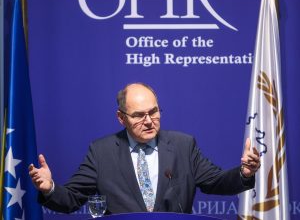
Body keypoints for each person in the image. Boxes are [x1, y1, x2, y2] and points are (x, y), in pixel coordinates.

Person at [29, 83, 260, 214]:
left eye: (154, 112)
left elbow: (216, 182)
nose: (149, 121)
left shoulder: (183, 145)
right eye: (139, 115)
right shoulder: (101, 152)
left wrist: (244, 174)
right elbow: (71, 199)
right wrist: (49, 188)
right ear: (121, 118)